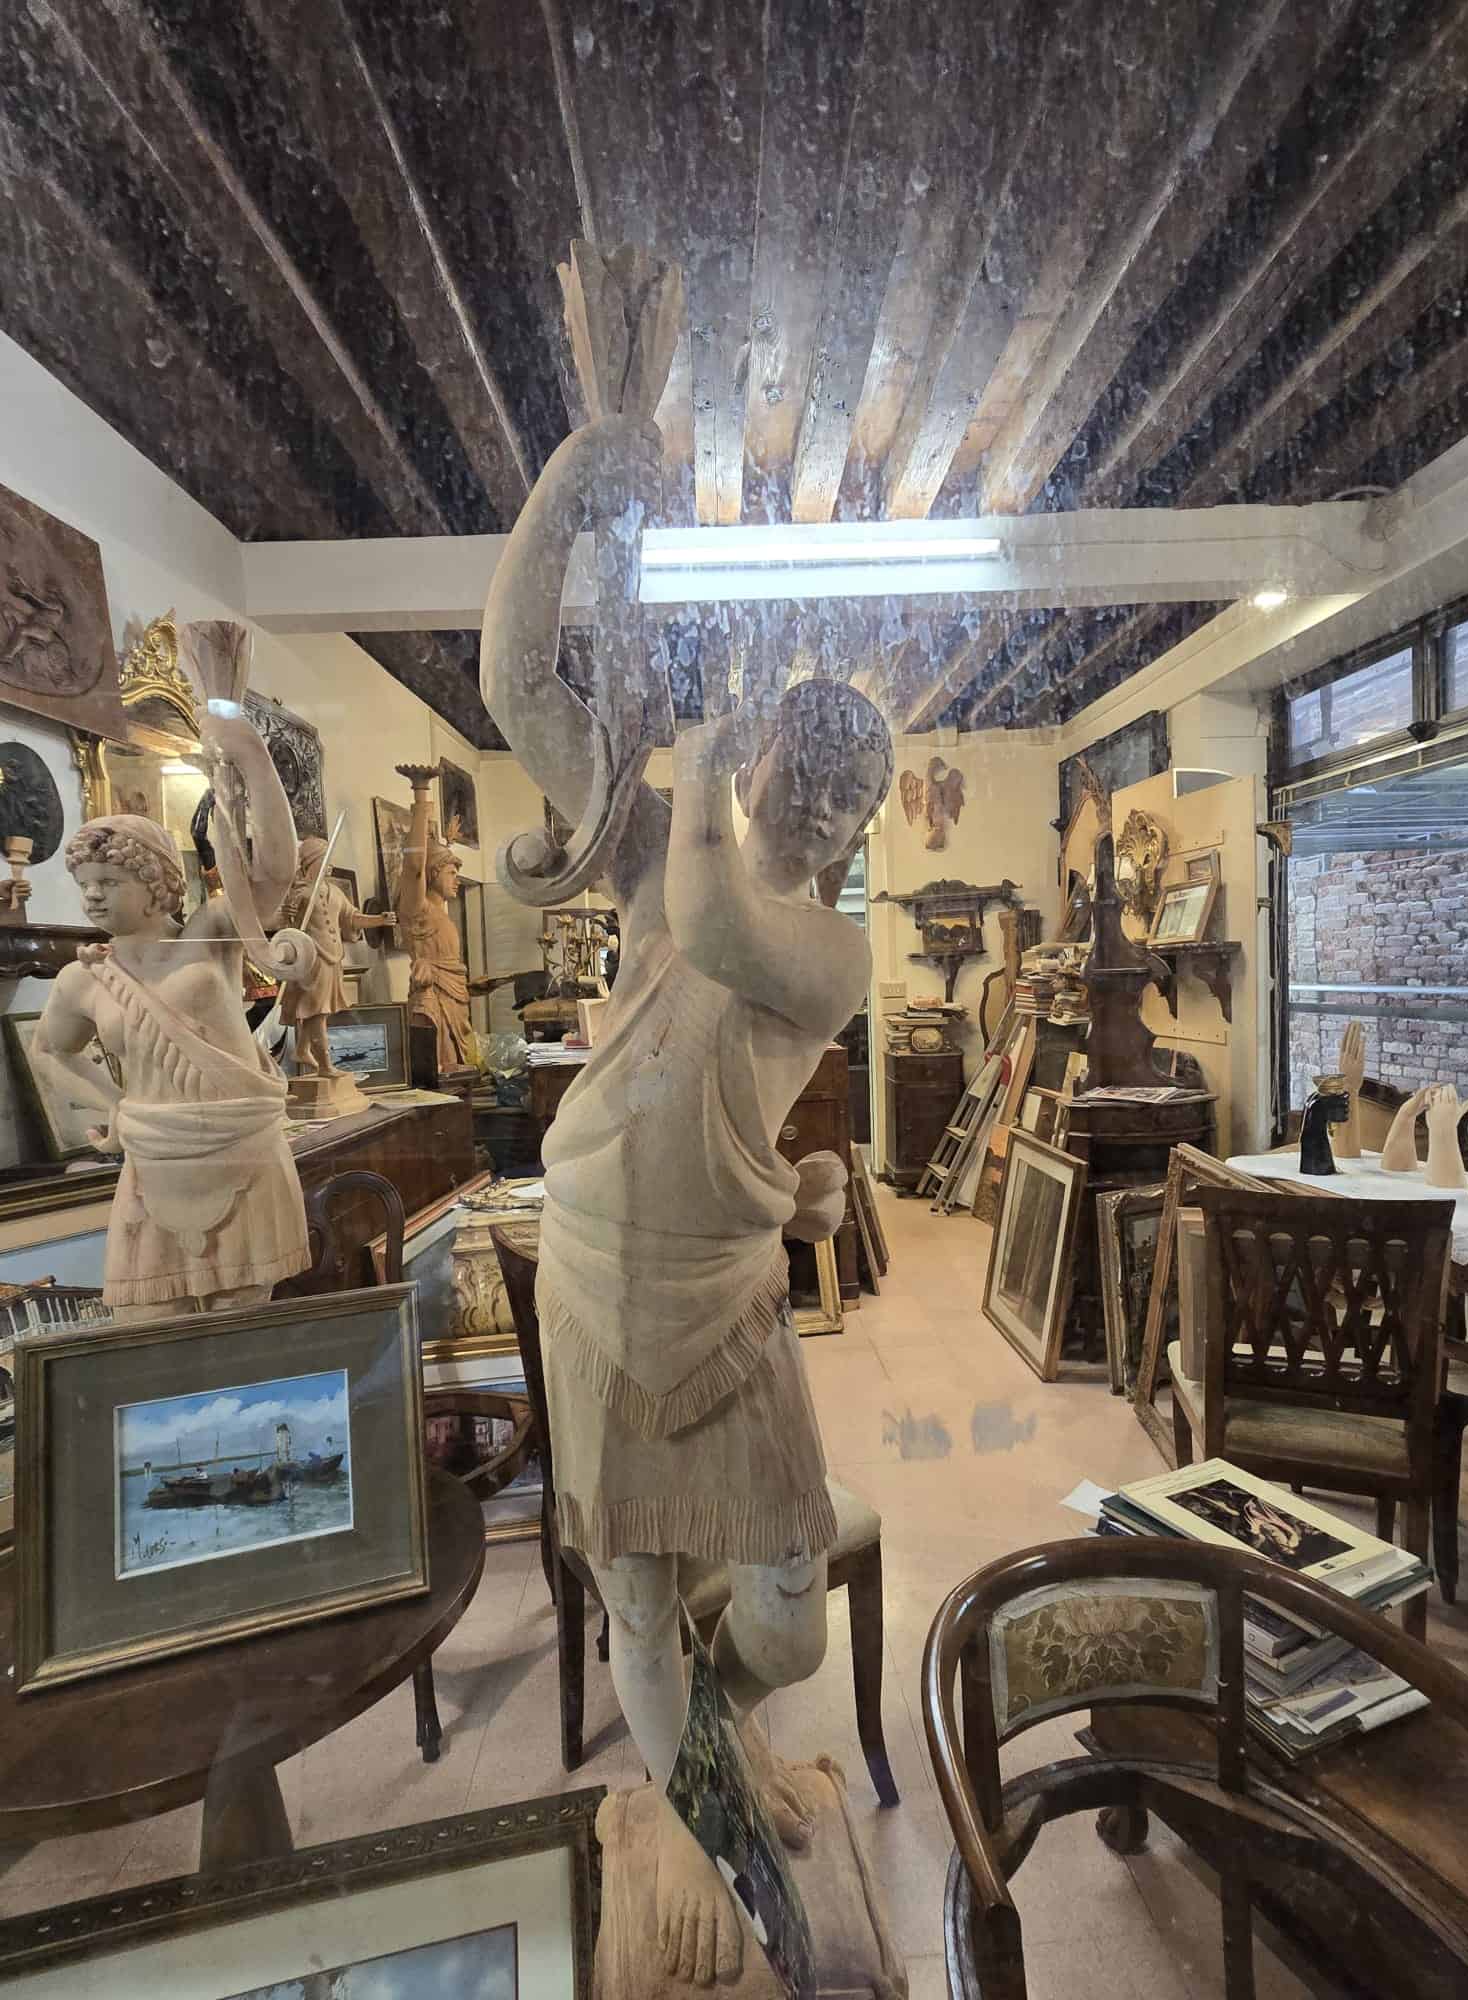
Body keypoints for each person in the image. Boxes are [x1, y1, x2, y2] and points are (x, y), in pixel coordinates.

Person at [481, 414, 892, 1980]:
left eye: (854, 793)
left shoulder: (830, 950)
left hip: (725, 1298)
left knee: (788, 1610)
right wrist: (572, 477)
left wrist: (708, 758)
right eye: (815, 768)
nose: (828, 803)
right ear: (778, 756)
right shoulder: (654, 844)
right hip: (593, 1266)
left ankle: (716, 1747)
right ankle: (711, 1828)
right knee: (636, 1604)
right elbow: (518, 681)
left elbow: (719, 932)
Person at [34, 706, 309, 1319]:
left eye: (109, 880)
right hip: (154, 1158)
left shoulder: (210, 933)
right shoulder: (84, 977)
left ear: (156, 881)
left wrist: (252, 756)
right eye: (85, 883)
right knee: (147, 1331)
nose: (93, 894)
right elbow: (48, 1050)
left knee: (243, 1331)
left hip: (241, 1149)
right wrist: (115, 1104)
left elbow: (274, 874)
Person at [278, 836, 393, 1077]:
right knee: (317, 1011)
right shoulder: (300, 893)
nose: (329, 865)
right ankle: (325, 1065)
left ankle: (302, 1049)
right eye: (325, 859)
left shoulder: (336, 892)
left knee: (322, 1010)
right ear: (312, 862)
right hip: (312, 959)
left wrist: (379, 920)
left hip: (333, 958)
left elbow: (353, 918)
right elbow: (284, 925)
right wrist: (287, 914)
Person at [394, 768, 472, 1072]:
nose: (457, 880)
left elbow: (448, 965)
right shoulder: (418, 909)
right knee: (442, 1071)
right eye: (451, 872)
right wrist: (421, 795)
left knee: (458, 1073)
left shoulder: (442, 914)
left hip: (455, 1001)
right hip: (433, 1003)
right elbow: (414, 865)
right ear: (433, 872)